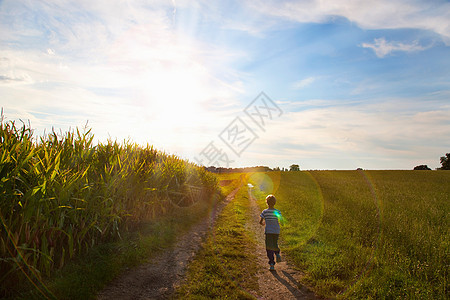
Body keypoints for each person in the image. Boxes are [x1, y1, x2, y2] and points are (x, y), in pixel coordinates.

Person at [259, 194, 282, 271]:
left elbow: (260, 221)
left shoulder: (265, 212)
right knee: (275, 243)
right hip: (276, 231)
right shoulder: (277, 212)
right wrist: (279, 223)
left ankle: (272, 264)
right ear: (275, 202)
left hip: (268, 231)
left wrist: (263, 223)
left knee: (269, 247)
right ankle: (277, 253)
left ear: (267, 203)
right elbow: (281, 221)